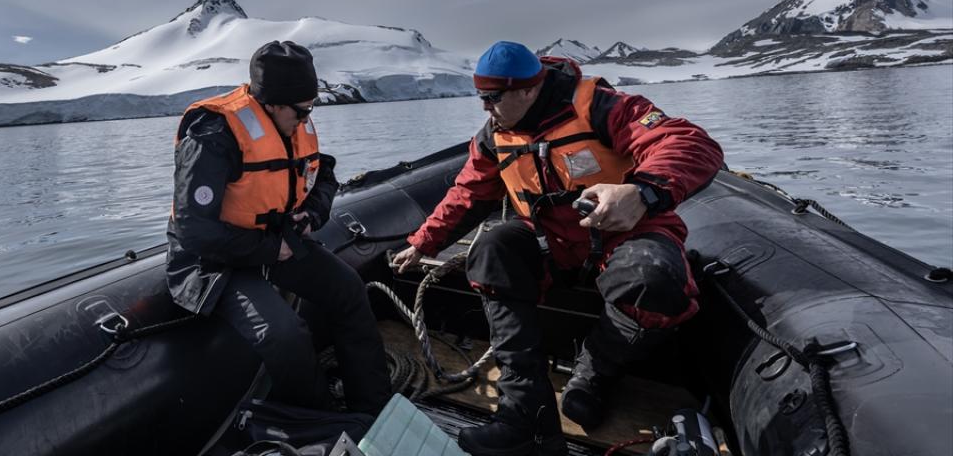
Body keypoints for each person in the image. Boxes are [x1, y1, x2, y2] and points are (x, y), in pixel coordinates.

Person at [391, 41, 723, 456]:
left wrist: (643, 192)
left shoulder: (603, 107)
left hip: (623, 233)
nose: (485, 108)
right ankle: (525, 415)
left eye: (493, 98)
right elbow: (467, 194)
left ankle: (595, 370)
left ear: (529, 90)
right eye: (481, 97)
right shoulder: (494, 136)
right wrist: (422, 242)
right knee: (493, 248)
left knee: (655, 280)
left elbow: (688, 142)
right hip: (552, 243)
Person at [167, 40, 392, 416]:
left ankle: (372, 410)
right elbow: (194, 231)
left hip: (273, 240)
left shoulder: (292, 124)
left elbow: (324, 176)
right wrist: (272, 250)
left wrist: (312, 215)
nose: (306, 119)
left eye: (310, 109)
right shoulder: (213, 134)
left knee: (349, 290)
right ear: (272, 104)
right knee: (283, 333)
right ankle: (320, 418)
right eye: (301, 111)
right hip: (213, 260)